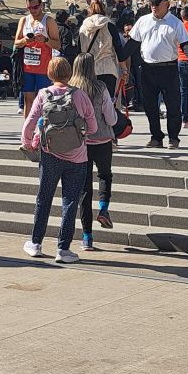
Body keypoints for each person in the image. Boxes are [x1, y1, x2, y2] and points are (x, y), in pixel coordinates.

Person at [20, 57, 97, 263]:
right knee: (70, 202)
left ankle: (35, 243)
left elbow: (30, 122)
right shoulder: (80, 95)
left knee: (43, 199)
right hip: (78, 157)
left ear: (49, 74)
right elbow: (94, 127)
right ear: (69, 73)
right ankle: (63, 249)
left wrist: (27, 142)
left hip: (50, 154)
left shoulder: (44, 94)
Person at [121, 0, 188, 149]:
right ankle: (156, 136)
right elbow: (132, 44)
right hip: (148, 69)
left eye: (157, 4)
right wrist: (118, 56)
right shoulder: (143, 21)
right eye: (151, 4)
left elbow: (185, 44)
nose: (153, 7)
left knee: (173, 106)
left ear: (167, 5)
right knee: (150, 106)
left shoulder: (175, 22)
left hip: (169, 69)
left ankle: (173, 137)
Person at [72, 52, 117, 251]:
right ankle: (103, 209)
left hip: (81, 142)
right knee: (105, 175)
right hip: (102, 139)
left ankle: (87, 237)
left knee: (84, 189)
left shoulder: (71, 90)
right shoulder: (101, 87)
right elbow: (111, 118)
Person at [14, 0, 61, 117]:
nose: (32, 11)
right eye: (29, 8)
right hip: (27, 67)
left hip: (43, 68)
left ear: (41, 6)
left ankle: (42, 130)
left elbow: (57, 45)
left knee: (43, 101)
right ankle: (27, 132)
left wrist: (45, 40)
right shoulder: (24, 20)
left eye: (35, 7)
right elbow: (16, 43)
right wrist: (25, 40)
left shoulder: (49, 21)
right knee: (27, 100)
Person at [78, 0, 124, 98]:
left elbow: (79, 50)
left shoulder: (83, 28)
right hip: (107, 68)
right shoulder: (109, 26)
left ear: (90, 10)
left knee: (89, 103)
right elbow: (118, 48)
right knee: (107, 102)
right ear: (104, 9)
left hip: (88, 69)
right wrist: (124, 68)